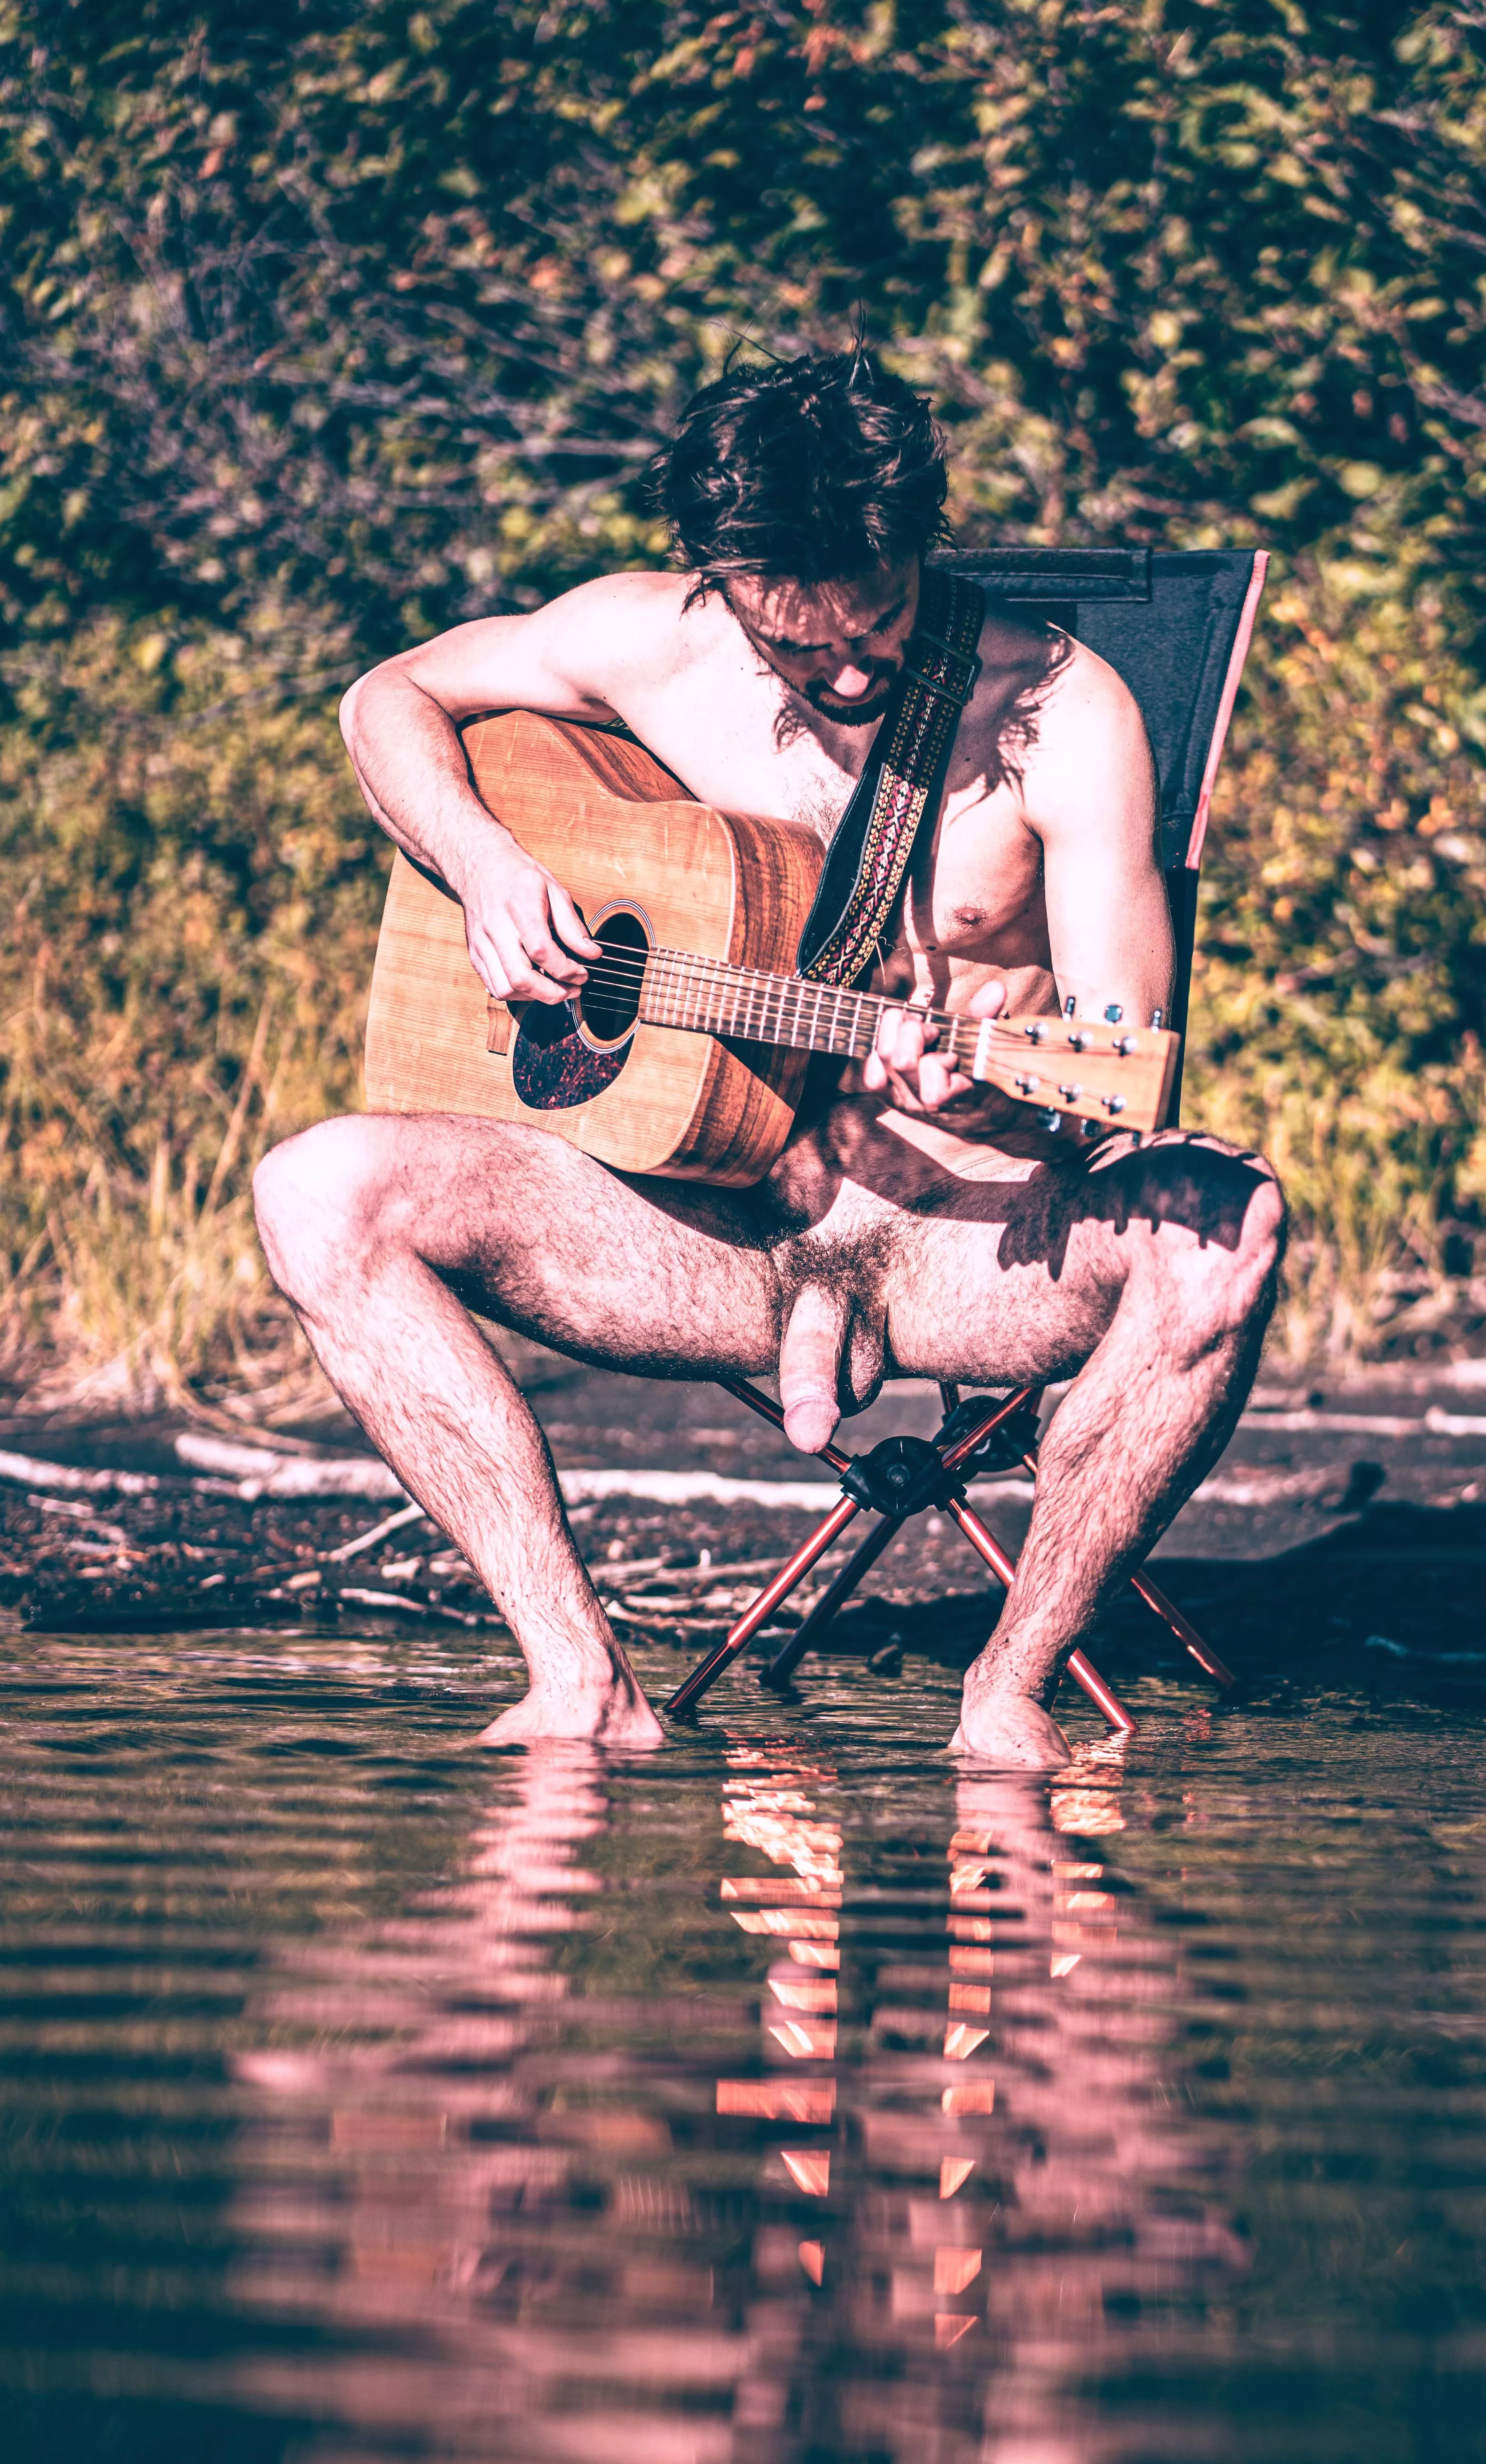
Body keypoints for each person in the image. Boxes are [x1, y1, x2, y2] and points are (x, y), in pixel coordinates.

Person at [252, 343, 1284, 1764]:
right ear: (719, 578)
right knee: (316, 1190)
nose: (848, 667)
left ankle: (1008, 1689)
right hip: (707, 1218)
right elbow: (386, 699)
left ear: (922, 543)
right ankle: (579, 1680)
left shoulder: (1063, 711)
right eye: (796, 644)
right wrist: (488, 867)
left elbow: (1123, 1056)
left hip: (961, 1242)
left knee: (1224, 1227)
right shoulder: (650, 639)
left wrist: (999, 1077)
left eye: (877, 624)